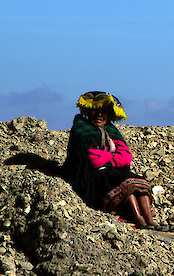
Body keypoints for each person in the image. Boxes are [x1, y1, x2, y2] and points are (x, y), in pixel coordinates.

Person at [62, 91, 158, 228]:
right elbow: (94, 160)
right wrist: (113, 157)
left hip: (113, 172)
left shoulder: (111, 131)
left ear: (109, 114)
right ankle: (138, 219)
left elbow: (126, 157)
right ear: (89, 112)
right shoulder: (82, 131)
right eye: (95, 111)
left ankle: (149, 219)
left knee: (140, 183)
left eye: (103, 111)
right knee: (127, 186)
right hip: (94, 177)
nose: (99, 115)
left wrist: (107, 157)